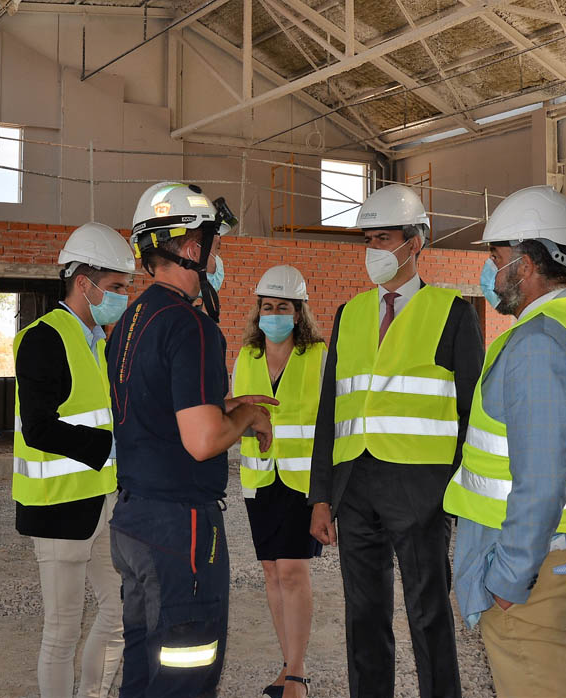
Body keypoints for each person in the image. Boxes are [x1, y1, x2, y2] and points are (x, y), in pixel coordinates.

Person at [443, 186, 566, 698]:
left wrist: (506, 581)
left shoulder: (538, 344)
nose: (491, 271)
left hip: (534, 581)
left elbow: (542, 483)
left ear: (524, 266)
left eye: (496, 258)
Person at [308, 184, 485, 698]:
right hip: (355, 487)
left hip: (422, 490)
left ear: (416, 242)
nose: (373, 251)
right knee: (363, 617)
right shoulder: (350, 314)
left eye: (383, 238)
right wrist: (322, 496)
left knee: (429, 615)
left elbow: (472, 413)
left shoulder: (452, 314)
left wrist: (457, 492)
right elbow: (330, 412)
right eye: (367, 239)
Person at [107, 181, 275, 698]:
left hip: (133, 522)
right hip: (180, 528)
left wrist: (222, 403)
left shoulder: (131, 320)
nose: (217, 257)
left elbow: (155, 405)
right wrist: (245, 416)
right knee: (185, 670)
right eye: (214, 245)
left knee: (142, 661)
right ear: (191, 248)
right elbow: (201, 442)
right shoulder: (192, 325)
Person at [12, 221, 136, 698]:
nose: (124, 296)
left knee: (118, 610)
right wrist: (109, 448)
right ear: (84, 283)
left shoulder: (100, 342)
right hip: (58, 507)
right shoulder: (43, 338)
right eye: (117, 287)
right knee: (61, 630)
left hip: (102, 502)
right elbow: (40, 427)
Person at [235, 265, 326, 698]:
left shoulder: (319, 355)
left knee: (292, 571)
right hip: (260, 478)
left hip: (301, 480)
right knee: (271, 573)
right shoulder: (246, 356)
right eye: (267, 306)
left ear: (298, 312)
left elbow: (329, 422)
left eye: (282, 307)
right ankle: (287, 665)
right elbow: (235, 413)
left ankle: (297, 674)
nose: (273, 313)